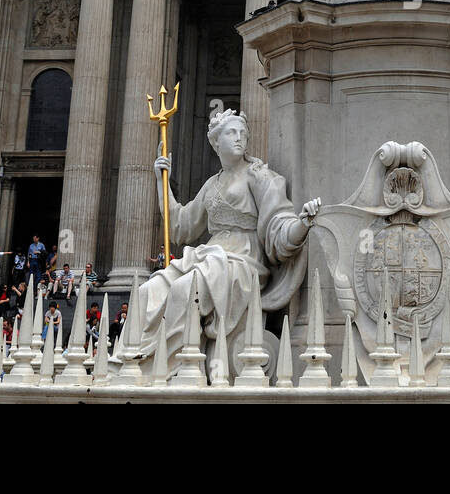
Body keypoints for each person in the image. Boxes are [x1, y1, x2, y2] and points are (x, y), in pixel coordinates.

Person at [123, 109, 324, 380]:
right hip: (211, 256)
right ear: (216, 142)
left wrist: (302, 224)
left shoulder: (259, 176)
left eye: (243, 133)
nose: (240, 138)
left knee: (186, 289)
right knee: (150, 289)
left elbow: (279, 223)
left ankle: (177, 367)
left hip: (243, 260)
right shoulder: (211, 184)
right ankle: (136, 363)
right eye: (232, 133)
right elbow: (181, 225)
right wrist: (163, 183)